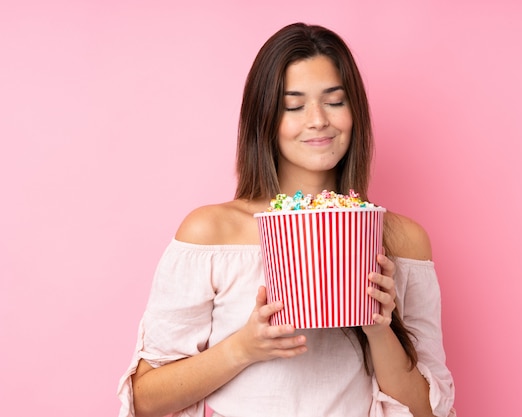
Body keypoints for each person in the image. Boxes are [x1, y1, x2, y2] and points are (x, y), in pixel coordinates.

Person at [118, 22, 455, 417]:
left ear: (355, 112)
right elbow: (144, 402)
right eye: (293, 106)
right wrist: (243, 347)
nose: (317, 120)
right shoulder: (210, 233)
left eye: (334, 101)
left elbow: (428, 412)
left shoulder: (401, 240)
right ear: (264, 119)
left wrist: (379, 328)